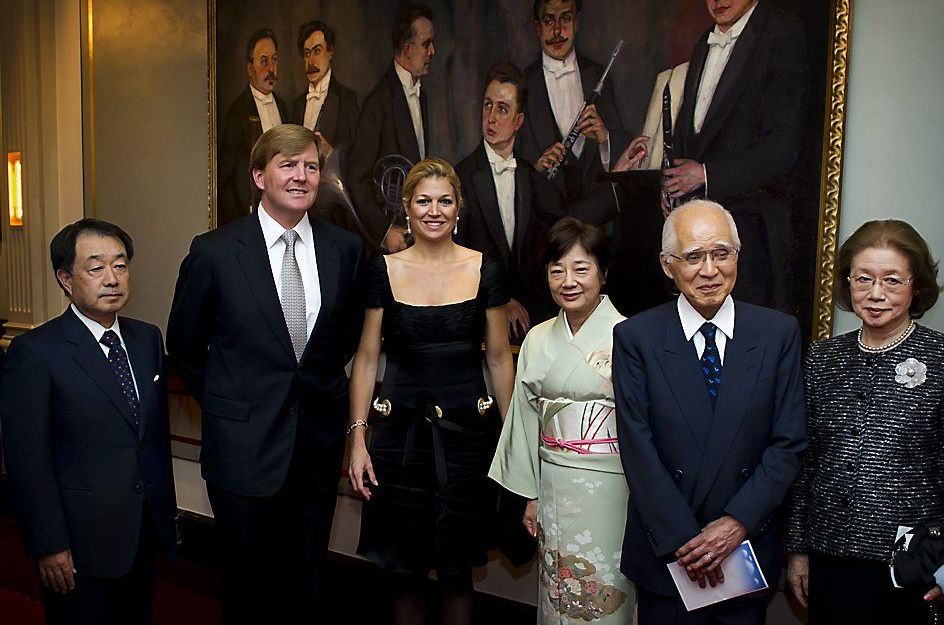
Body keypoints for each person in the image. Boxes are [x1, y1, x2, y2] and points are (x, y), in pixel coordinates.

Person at [167, 124, 367, 625]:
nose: (302, 176)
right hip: (242, 450)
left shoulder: (344, 250)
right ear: (259, 175)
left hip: (316, 449)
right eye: (288, 164)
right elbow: (186, 348)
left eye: (311, 166)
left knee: (304, 585)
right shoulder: (214, 252)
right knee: (246, 587)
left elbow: (338, 341)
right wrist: (231, 403)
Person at [784, 219, 944, 625]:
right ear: (848, 282)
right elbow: (805, 462)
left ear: (916, 285)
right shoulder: (821, 359)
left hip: (912, 563)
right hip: (830, 556)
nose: (876, 294)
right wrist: (797, 549)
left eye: (893, 281)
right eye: (863, 279)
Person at [613, 199, 807, 624]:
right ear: (668, 265)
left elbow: (788, 440)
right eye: (693, 256)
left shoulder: (777, 333)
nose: (709, 270)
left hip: (744, 548)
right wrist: (690, 544)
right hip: (668, 552)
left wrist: (737, 524)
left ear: (737, 256)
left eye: (722, 253)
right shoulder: (636, 337)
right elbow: (637, 447)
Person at [347, 157, 514, 625]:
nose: (434, 210)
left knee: (458, 571)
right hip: (398, 437)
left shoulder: (485, 268)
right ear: (407, 207)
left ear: (458, 207)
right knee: (405, 572)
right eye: (424, 201)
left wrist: (511, 436)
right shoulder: (383, 270)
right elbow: (365, 357)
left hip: (468, 437)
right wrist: (358, 438)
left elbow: (499, 357)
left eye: (445, 200)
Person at [0, 219, 177, 624]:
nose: (112, 279)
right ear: (66, 279)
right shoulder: (36, 352)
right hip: (79, 545)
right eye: (96, 268)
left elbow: (149, 438)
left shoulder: (146, 338)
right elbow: (28, 461)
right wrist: (49, 545)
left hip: (142, 533)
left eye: (120, 265)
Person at [489, 217, 635, 624]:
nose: (568, 281)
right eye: (557, 271)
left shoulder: (629, 336)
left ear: (603, 274)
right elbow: (524, 419)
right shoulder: (537, 337)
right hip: (553, 483)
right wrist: (531, 495)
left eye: (581, 269)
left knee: (607, 588)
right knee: (557, 590)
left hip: (612, 485)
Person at [665, 0, 807, 312]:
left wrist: (706, 176)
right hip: (701, 232)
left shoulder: (782, 36)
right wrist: (673, 185)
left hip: (753, 236)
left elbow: (783, 147)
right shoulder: (704, 42)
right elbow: (690, 130)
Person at [456, 61, 555, 338]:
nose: (491, 118)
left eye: (502, 109)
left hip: (530, 319)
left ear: (519, 121)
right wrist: (500, 299)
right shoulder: (460, 175)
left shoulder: (527, 175)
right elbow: (457, 256)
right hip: (479, 315)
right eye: (488, 105)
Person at [519, 0, 628, 227]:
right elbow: (510, 160)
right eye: (549, 21)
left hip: (597, 224)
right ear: (537, 28)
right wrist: (537, 168)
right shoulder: (521, 84)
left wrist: (605, 138)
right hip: (545, 226)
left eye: (566, 19)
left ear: (577, 23)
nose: (557, 31)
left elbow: (623, 151)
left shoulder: (598, 76)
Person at [348, 3, 436, 254]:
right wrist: (385, 230)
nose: (433, 51)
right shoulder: (377, 103)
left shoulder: (421, 95)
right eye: (426, 44)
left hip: (413, 231)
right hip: (390, 242)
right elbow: (357, 178)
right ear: (407, 50)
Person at [219, 28, 289, 226]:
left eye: (274, 60)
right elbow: (226, 180)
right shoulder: (237, 113)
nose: (271, 69)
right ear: (250, 68)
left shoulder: (283, 107)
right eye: (264, 61)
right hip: (250, 216)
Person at [291, 20, 360, 156]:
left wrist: (331, 154)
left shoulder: (347, 100)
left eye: (317, 51)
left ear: (330, 52)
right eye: (306, 53)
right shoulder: (298, 104)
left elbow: (358, 155)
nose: (311, 61)